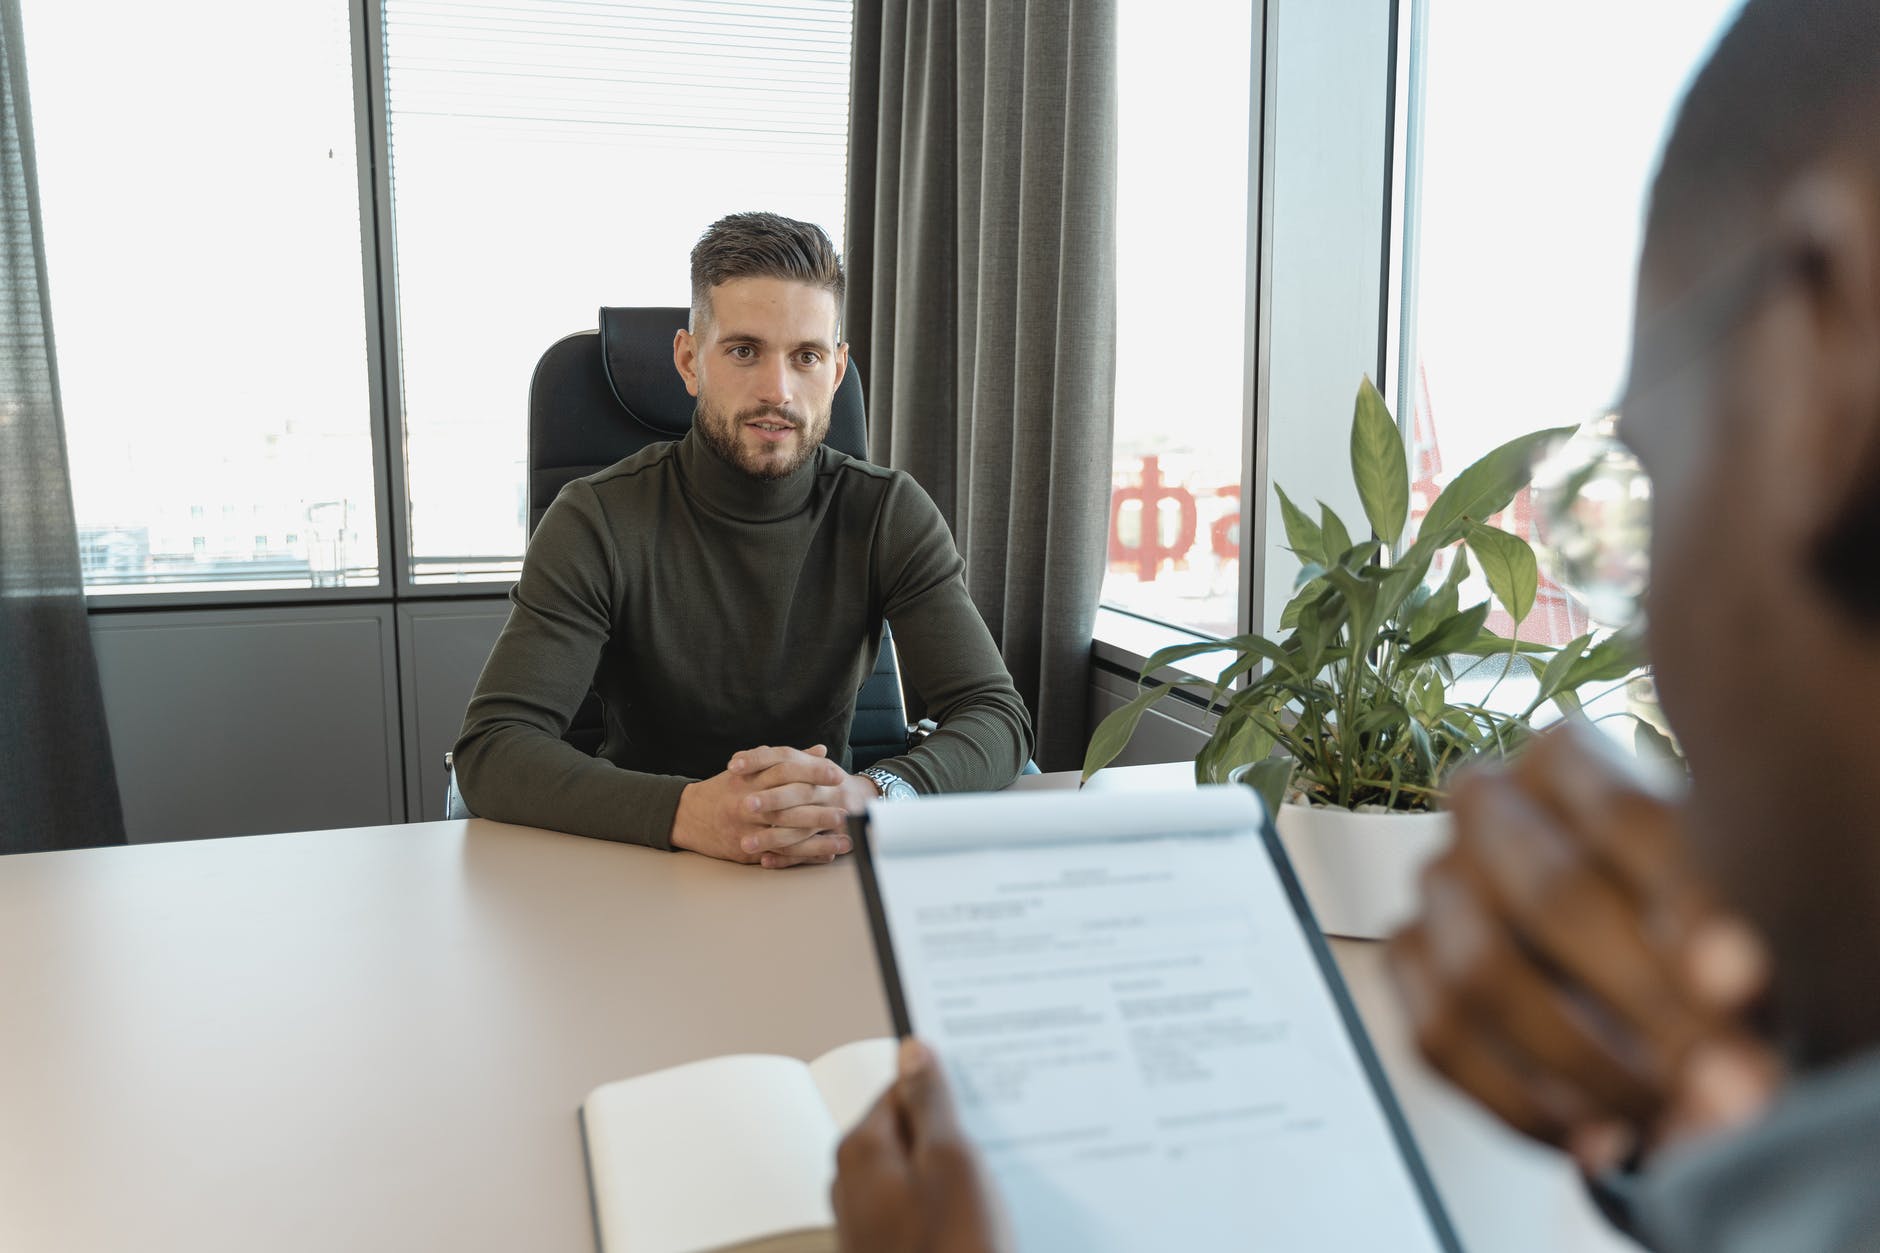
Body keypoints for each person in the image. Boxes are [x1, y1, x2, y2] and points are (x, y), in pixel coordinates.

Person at [830, 0, 1880, 1246]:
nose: (1646, 623)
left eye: (1649, 477)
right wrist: (1713, 1113)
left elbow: (992, 718)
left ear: (1823, 362)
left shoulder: (883, 507)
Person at [454, 212, 1033, 866]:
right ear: (689, 360)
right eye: (744, 350)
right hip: (643, 865)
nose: (777, 391)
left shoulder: (888, 511)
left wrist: (876, 793)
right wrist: (687, 812)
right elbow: (493, 749)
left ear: (836, 372)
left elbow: (995, 714)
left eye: (806, 356)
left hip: (827, 859)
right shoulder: (596, 517)